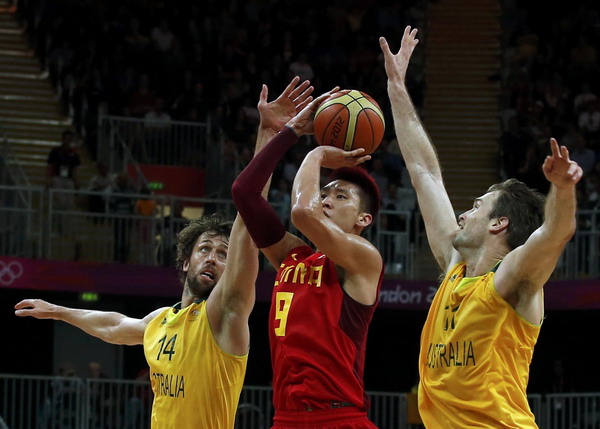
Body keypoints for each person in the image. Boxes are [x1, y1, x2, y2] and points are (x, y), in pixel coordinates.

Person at [14, 77, 314, 429]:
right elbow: (113, 325)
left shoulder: (224, 315)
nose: (214, 258)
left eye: (222, 254)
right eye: (206, 249)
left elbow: (247, 223)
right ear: (186, 261)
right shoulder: (160, 321)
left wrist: (269, 133)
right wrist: (59, 311)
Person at [380, 26, 583, 427]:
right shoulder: (455, 268)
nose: (462, 214)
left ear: (499, 224)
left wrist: (561, 189)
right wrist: (396, 87)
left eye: (476, 206)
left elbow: (555, 234)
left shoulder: (511, 280)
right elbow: (424, 173)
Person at [232, 89, 383, 428]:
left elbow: (302, 211)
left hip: (339, 417)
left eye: (340, 196)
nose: (326, 197)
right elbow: (245, 192)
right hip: (286, 417)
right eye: (325, 192)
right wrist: (290, 130)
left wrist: (314, 154)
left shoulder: (364, 259)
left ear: (363, 220)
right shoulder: (292, 256)